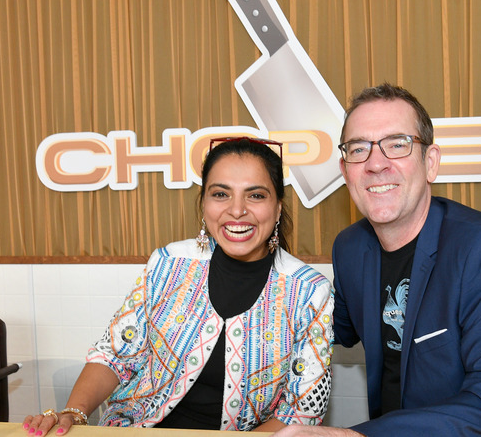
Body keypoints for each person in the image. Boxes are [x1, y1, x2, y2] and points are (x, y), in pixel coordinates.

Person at [273, 83, 481, 436]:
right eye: (359, 149)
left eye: (396, 144)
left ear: (430, 162)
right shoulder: (349, 247)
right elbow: (327, 327)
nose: (376, 163)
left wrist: (358, 435)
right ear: (345, 172)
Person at [23, 137, 334, 435]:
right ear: (203, 205)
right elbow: (115, 356)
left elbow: (302, 412)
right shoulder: (168, 262)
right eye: (221, 194)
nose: (237, 210)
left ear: (277, 208)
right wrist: (74, 412)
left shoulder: (310, 292)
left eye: (255, 195)